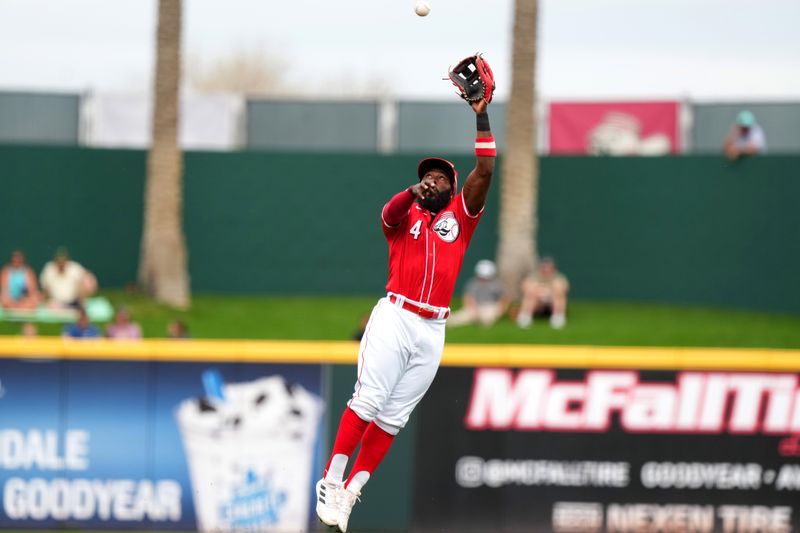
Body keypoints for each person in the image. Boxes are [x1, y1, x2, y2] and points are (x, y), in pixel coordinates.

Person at [315, 97, 496, 532]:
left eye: (439, 177)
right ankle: (331, 480)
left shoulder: (462, 216)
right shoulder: (405, 216)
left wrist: (481, 115)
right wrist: (410, 193)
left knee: (393, 418)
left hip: (433, 327)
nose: (431, 181)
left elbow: (485, 171)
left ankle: (351, 492)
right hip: (396, 316)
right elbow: (388, 212)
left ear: (453, 188)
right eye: (425, 177)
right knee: (369, 401)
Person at [447, 259, 507, 327]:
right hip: (475, 306)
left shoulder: (497, 284)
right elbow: (468, 297)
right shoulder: (473, 283)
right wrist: (473, 308)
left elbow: (503, 299)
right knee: (458, 318)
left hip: (490, 306)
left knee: (487, 319)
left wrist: (499, 311)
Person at [516, 257, 570, 329]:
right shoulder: (534, 276)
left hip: (552, 303)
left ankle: (558, 317)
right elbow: (525, 287)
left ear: (553, 268)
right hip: (537, 304)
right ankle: (525, 317)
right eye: (544, 267)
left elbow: (564, 288)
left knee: (558, 290)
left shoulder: (558, 276)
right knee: (531, 289)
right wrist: (540, 292)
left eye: (548, 267)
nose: (546, 269)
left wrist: (548, 293)